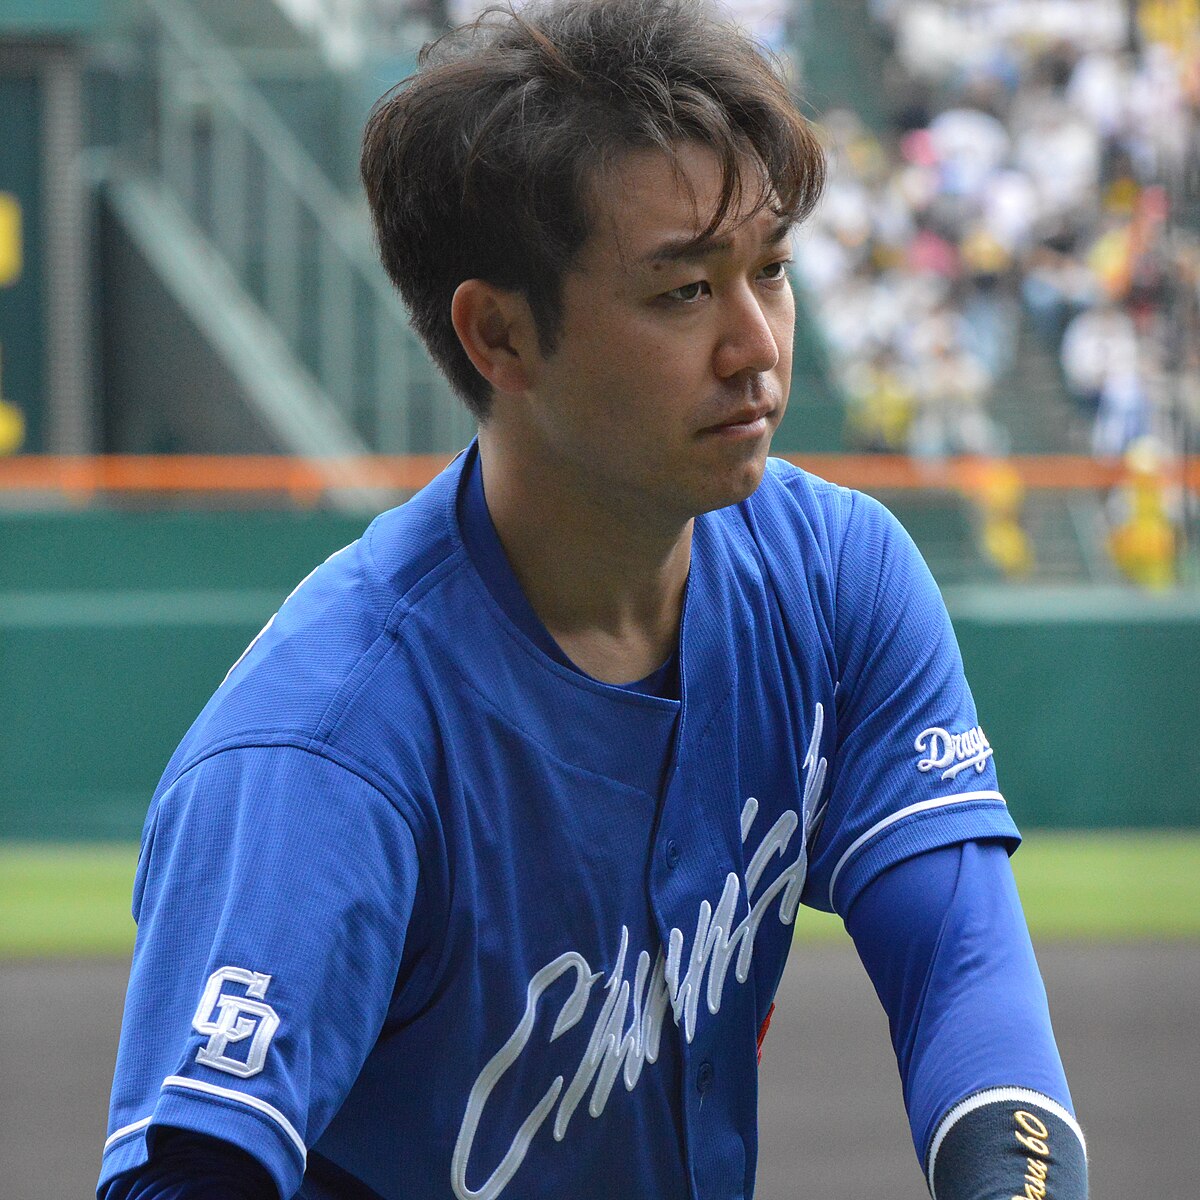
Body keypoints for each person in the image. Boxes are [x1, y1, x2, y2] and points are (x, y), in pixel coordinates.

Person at [98, 2, 1089, 1198]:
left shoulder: (834, 578)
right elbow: (185, 1179)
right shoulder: (325, 750)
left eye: (768, 271)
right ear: (498, 333)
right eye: (683, 292)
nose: (758, 346)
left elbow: (962, 969)